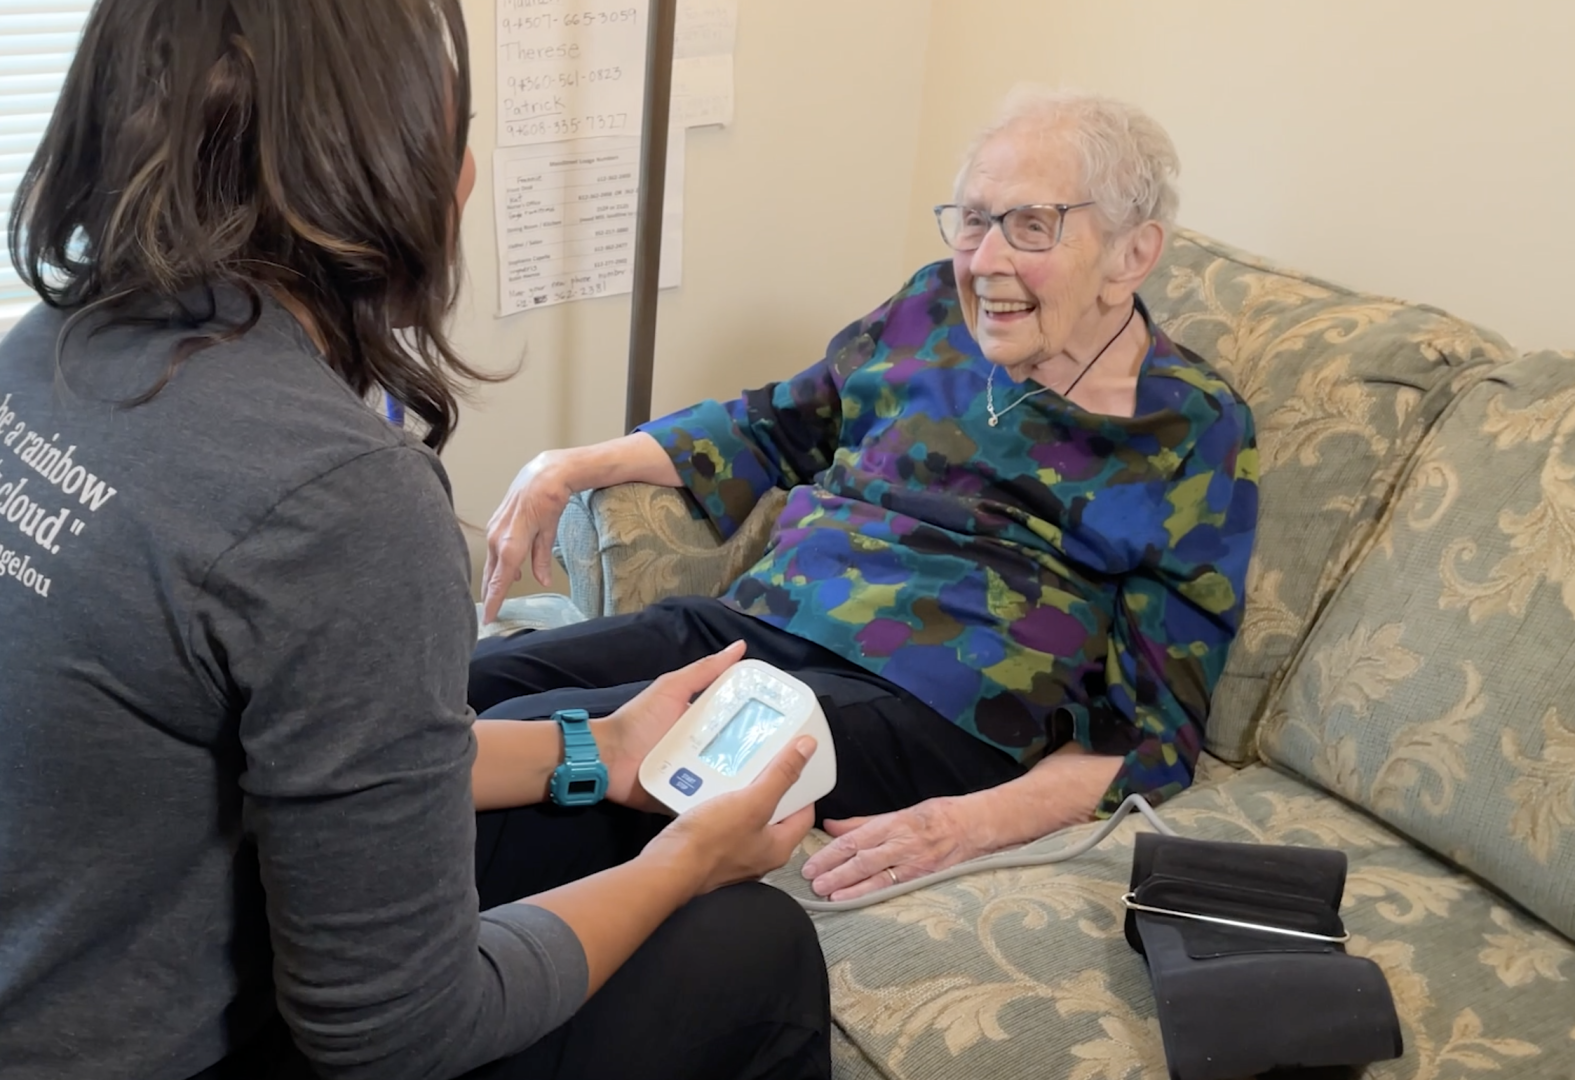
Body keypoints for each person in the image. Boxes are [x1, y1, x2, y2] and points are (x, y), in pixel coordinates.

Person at [0, 3, 830, 1079]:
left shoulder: (52, 348)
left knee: (554, 746)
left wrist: (604, 751)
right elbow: (396, 1035)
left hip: (60, 966)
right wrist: (685, 863)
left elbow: (319, 766)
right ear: (377, 172)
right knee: (753, 947)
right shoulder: (338, 499)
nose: (470, 168)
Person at [472, 87, 1260, 904]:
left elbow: (1155, 730)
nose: (985, 261)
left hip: (940, 701)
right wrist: (564, 466)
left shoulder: (1191, 426)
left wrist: (961, 824)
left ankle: (387, 960)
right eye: (973, 219)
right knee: (480, 684)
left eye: (1031, 226)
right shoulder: (929, 310)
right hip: (766, 617)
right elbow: (780, 422)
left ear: (1132, 255)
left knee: (566, 748)